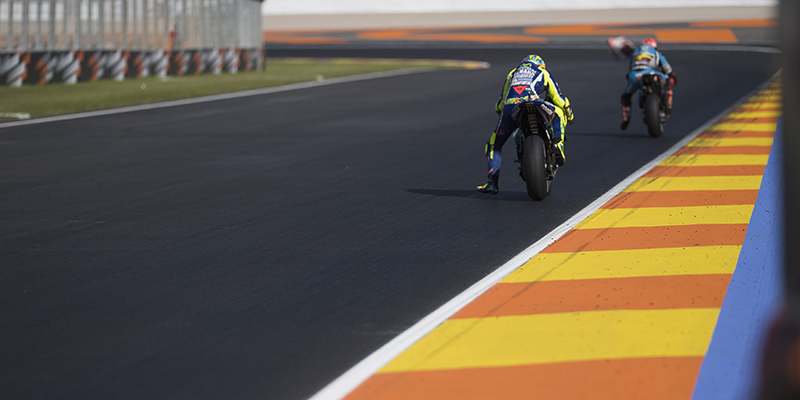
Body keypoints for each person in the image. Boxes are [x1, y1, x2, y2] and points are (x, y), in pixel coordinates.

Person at [476, 54, 574, 195]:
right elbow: (558, 98)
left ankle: (492, 182)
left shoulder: (512, 73)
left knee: (493, 144)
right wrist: (569, 114)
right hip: (534, 102)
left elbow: (500, 104)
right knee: (559, 112)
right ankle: (558, 144)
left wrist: (505, 118)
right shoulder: (542, 72)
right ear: (541, 65)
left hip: (511, 108)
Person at [620, 38, 677, 130]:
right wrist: (672, 76)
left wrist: (629, 77)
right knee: (667, 81)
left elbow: (630, 69)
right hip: (651, 73)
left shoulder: (635, 52)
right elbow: (667, 68)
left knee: (626, 96)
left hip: (635, 76)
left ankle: (626, 116)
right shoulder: (655, 52)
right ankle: (667, 104)